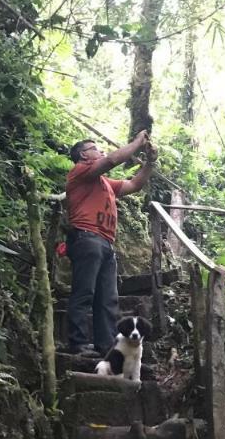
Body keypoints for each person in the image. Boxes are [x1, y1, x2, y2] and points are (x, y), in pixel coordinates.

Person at [63, 130, 156, 355]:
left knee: (108, 298)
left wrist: (150, 163)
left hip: (105, 242)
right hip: (87, 237)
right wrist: (137, 143)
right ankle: (77, 343)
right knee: (85, 292)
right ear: (83, 156)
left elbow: (134, 185)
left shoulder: (104, 182)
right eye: (94, 148)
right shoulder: (80, 172)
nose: (101, 150)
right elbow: (113, 160)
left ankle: (105, 346)